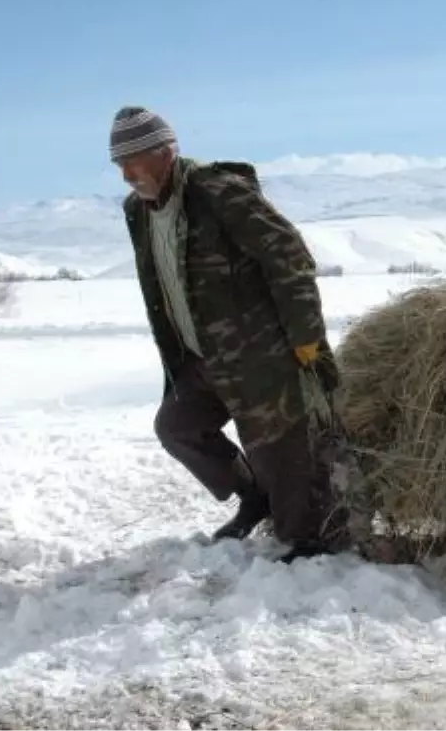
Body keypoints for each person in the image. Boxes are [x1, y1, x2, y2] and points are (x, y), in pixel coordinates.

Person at [111, 105, 348, 563]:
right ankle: (252, 497)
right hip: (203, 358)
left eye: (133, 161)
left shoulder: (219, 192)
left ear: (166, 153)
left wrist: (306, 337)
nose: (125, 175)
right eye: (119, 164)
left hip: (261, 353)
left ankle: (309, 541)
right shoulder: (137, 212)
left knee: (280, 451)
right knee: (178, 427)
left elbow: (289, 255)